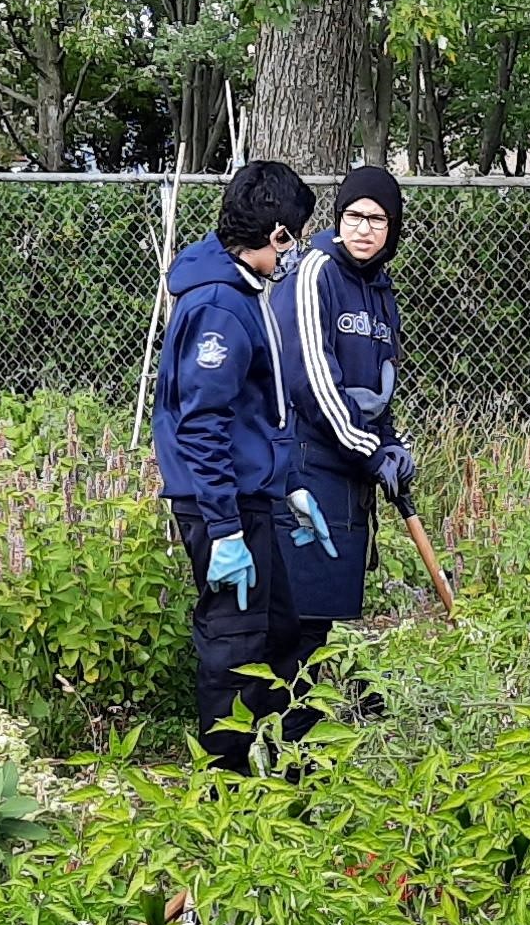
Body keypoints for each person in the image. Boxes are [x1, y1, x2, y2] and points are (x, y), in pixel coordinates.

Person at [152, 160, 317, 771]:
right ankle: (224, 783)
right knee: (233, 640)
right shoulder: (221, 306)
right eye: (293, 237)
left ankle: (278, 762)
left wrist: (289, 485)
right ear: (276, 235)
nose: (294, 250)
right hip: (221, 504)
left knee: (278, 630)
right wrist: (223, 529)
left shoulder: (242, 291)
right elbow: (202, 423)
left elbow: (259, 412)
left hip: (250, 498)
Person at [265, 165, 420, 674]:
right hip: (308, 463)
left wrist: (391, 443)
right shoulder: (315, 273)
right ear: (338, 219)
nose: (363, 228)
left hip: (348, 468)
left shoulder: (381, 289)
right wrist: (369, 449)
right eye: (353, 216)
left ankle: (306, 734)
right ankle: (288, 737)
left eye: (377, 220)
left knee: (325, 616)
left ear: (392, 228)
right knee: (298, 616)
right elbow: (311, 379)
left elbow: (381, 383)